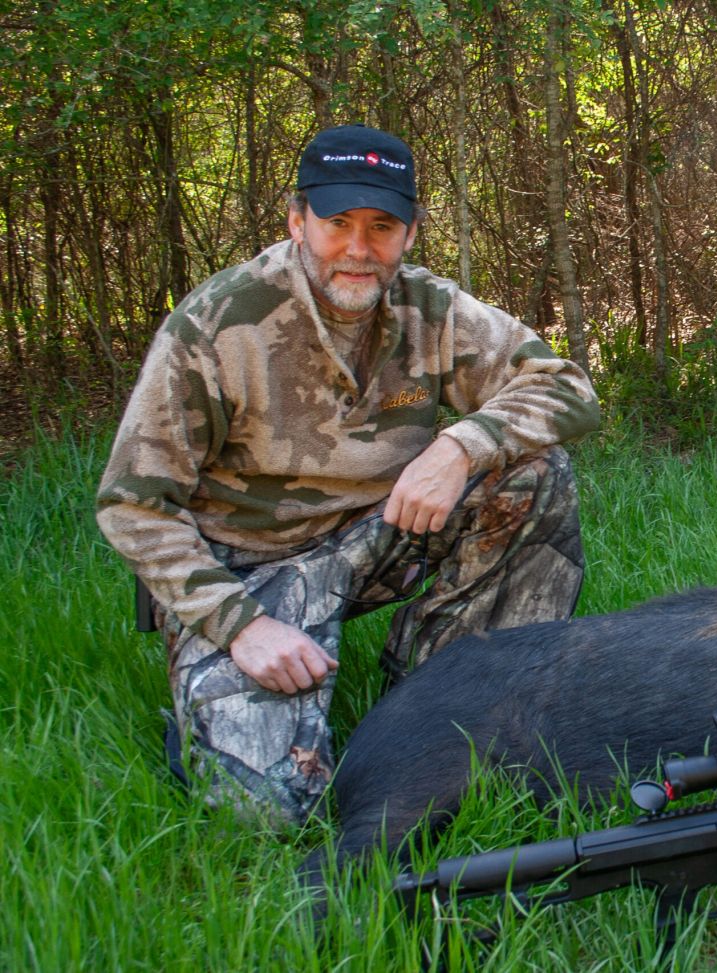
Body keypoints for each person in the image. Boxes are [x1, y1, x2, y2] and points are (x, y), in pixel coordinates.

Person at [96, 124, 601, 827]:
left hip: (377, 537)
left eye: (382, 226)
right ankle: (209, 701)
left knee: (535, 473)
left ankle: (445, 698)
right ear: (297, 221)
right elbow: (133, 504)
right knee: (268, 816)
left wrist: (460, 445)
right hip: (250, 569)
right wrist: (239, 626)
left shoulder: (431, 308)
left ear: (411, 231)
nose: (359, 249)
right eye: (338, 224)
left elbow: (568, 387)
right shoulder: (216, 325)